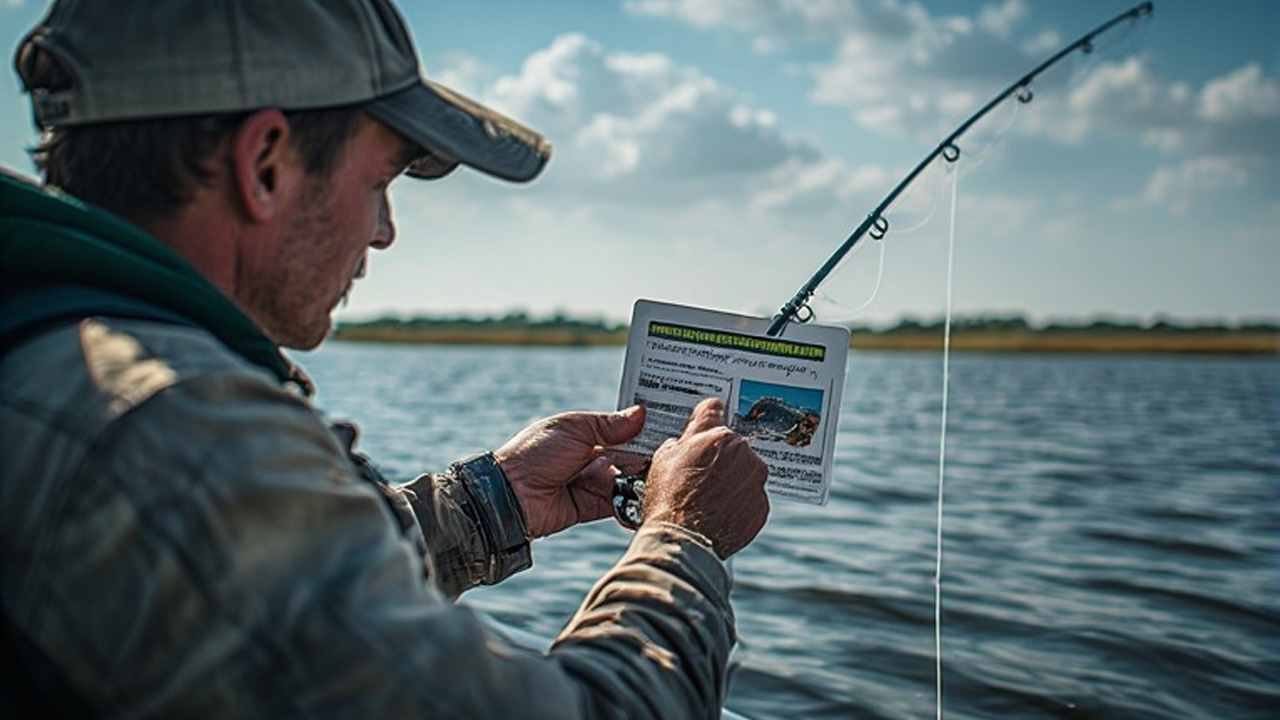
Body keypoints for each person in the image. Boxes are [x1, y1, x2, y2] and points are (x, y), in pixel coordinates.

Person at [0, 1, 769, 717]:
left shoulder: (47, 351)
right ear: (264, 163)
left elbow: (253, 606)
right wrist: (685, 539)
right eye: (381, 183)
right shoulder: (171, 429)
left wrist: (489, 503)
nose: (385, 232)